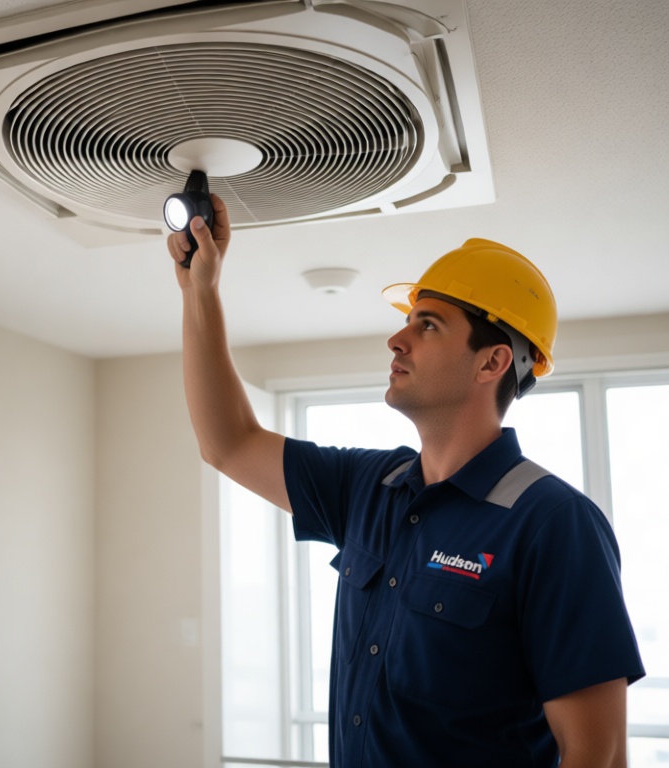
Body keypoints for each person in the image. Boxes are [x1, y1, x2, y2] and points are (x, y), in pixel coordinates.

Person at [169, 194, 645, 768]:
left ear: (491, 363)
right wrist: (199, 291)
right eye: (407, 322)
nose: (397, 340)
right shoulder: (369, 486)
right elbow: (228, 443)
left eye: (428, 325)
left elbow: (598, 754)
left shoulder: (554, 524)